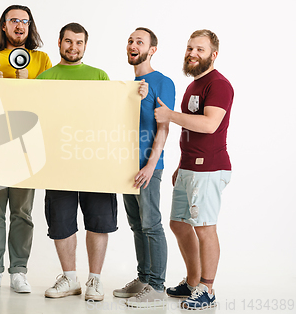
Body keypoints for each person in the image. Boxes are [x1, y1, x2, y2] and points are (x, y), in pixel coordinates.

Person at [36, 23, 148, 302]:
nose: (73, 47)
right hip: (58, 162)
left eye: (79, 43)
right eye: (69, 42)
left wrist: (136, 96)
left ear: (85, 46)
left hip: (95, 160)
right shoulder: (45, 78)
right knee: (60, 222)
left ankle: (94, 281)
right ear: (59, 43)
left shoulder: (99, 75)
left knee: (99, 221)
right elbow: (36, 118)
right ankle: (70, 279)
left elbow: (112, 114)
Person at [154, 29, 233, 310]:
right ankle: (192, 281)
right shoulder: (193, 85)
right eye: (189, 48)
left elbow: (209, 125)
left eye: (199, 49)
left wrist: (170, 115)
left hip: (209, 168)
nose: (192, 54)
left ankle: (207, 289)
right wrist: (181, 165)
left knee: (204, 227)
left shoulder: (219, 85)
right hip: (189, 168)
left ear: (213, 55)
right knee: (178, 223)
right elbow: (191, 128)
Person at [0, 4, 51, 293]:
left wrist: (26, 84)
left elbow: (47, 100)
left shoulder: (42, 59)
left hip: (27, 146)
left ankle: (19, 271)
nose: (19, 25)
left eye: (25, 21)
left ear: (29, 27)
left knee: (22, 212)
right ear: (3, 25)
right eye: (13, 21)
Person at [113, 28, 175, 308]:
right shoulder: (130, 87)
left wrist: (151, 165)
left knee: (151, 225)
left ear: (152, 50)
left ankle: (157, 288)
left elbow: (164, 127)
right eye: (130, 41)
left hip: (148, 167)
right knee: (137, 225)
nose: (133, 45)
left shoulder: (163, 82)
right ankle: (144, 279)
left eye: (140, 41)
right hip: (127, 166)